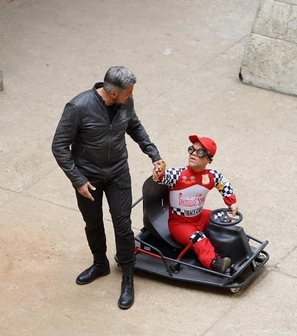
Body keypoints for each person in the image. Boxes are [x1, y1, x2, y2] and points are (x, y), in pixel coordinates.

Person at [52, 66, 165, 310]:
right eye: (129, 92)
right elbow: (59, 146)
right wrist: (78, 179)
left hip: (118, 173)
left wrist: (153, 154)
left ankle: (127, 275)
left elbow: (135, 128)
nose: (132, 96)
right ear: (113, 93)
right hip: (88, 177)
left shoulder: (126, 103)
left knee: (122, 225)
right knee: (93, 223)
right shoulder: (78, 107)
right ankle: (100, 263)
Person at [152, 135, 238, 273]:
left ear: (208, 159)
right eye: (192, 149)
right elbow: (163, 177)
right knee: (198, 238)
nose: (193, 153)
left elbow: (224, 184)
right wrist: (159, 173)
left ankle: (234, 243)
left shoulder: (212, 176)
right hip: (180, 224)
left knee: (223, 217)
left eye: (200, 152)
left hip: (198, 218)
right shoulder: (178, 175)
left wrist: (231, 203)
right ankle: (214, 262)